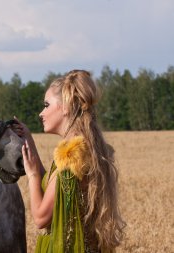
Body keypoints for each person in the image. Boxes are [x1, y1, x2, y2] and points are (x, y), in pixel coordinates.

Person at [12, 70, 125, 253]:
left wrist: (32, 174)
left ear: (65, 107)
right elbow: (53, 189)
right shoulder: (84, 147)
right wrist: (29, 140)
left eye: (47, 105)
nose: (41, 113)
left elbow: (41, 218)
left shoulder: (71, 156)